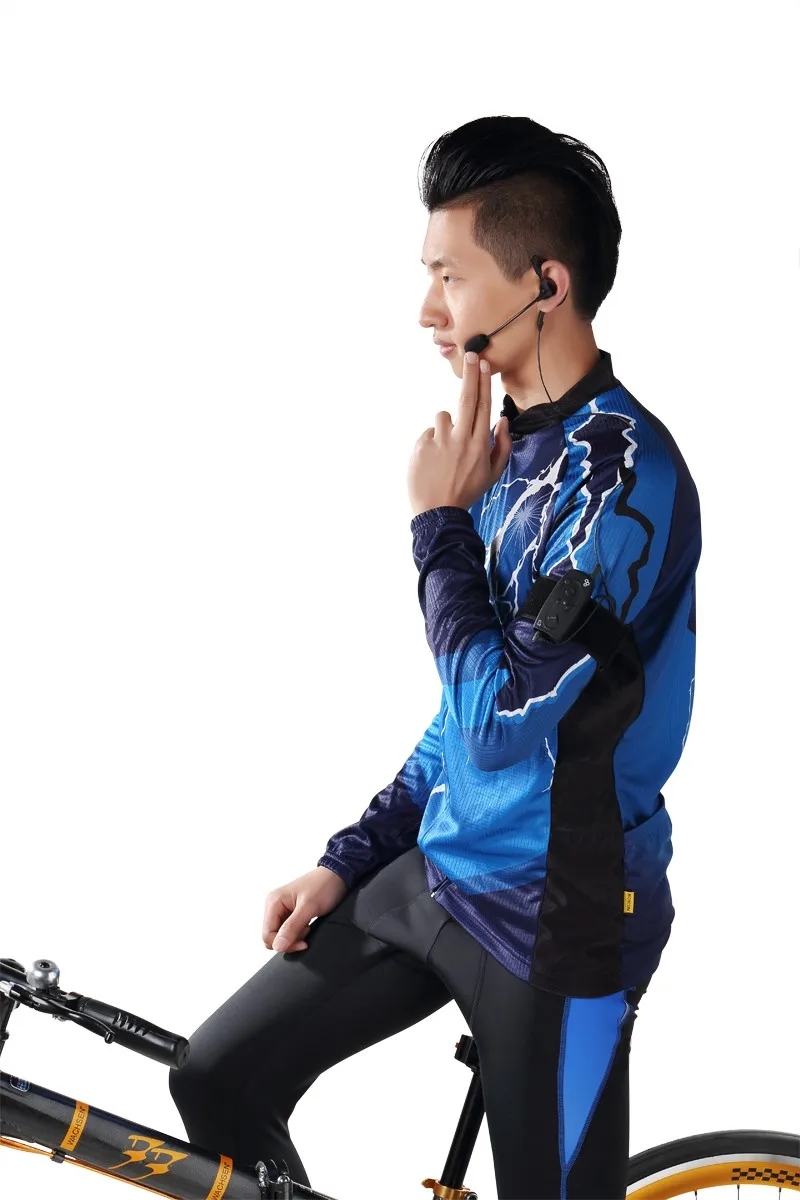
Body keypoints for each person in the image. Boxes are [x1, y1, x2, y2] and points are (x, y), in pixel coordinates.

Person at [168, 115, 701, 1200]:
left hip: (560, 916)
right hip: (443, 871)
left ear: (544, 284)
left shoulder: (620, 483)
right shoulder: (510, 451)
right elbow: (462, 713)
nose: (426, 309)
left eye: (449, 277)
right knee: (217, 1080)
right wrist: (352, 856)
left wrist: (436, 527)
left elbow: (501, 717)